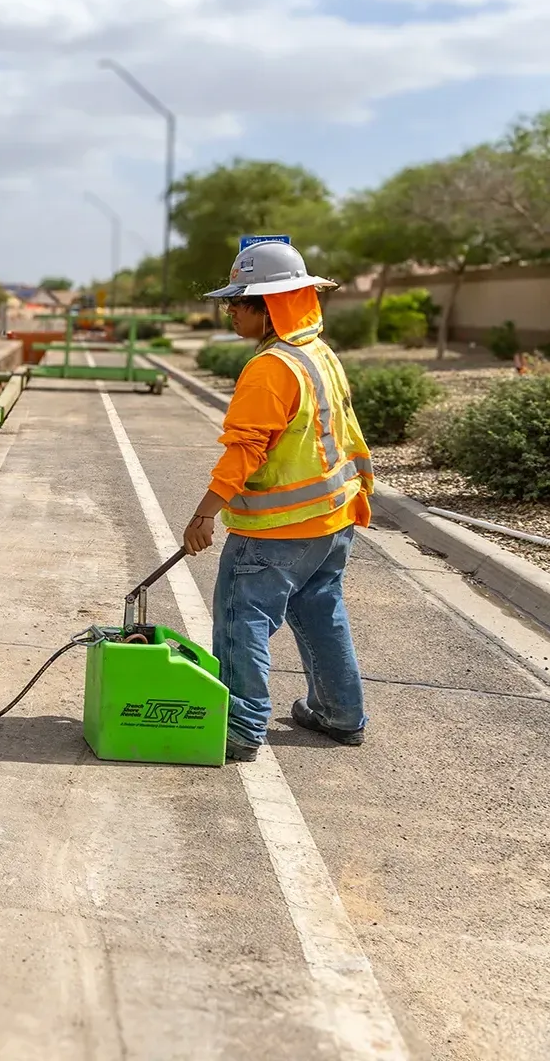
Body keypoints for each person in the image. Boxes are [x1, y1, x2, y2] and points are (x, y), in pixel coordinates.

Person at [181, 239, 374, 762]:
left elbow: (247, 449)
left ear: (268, 306)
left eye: (239, 302)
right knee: (321, 611)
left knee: (242, 618)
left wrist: (204, 513)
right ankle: (340, 713)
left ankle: (241, 727)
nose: (230, 311)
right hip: (333, 520)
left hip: (277, 530)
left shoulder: (271, 368)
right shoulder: (318, 353)